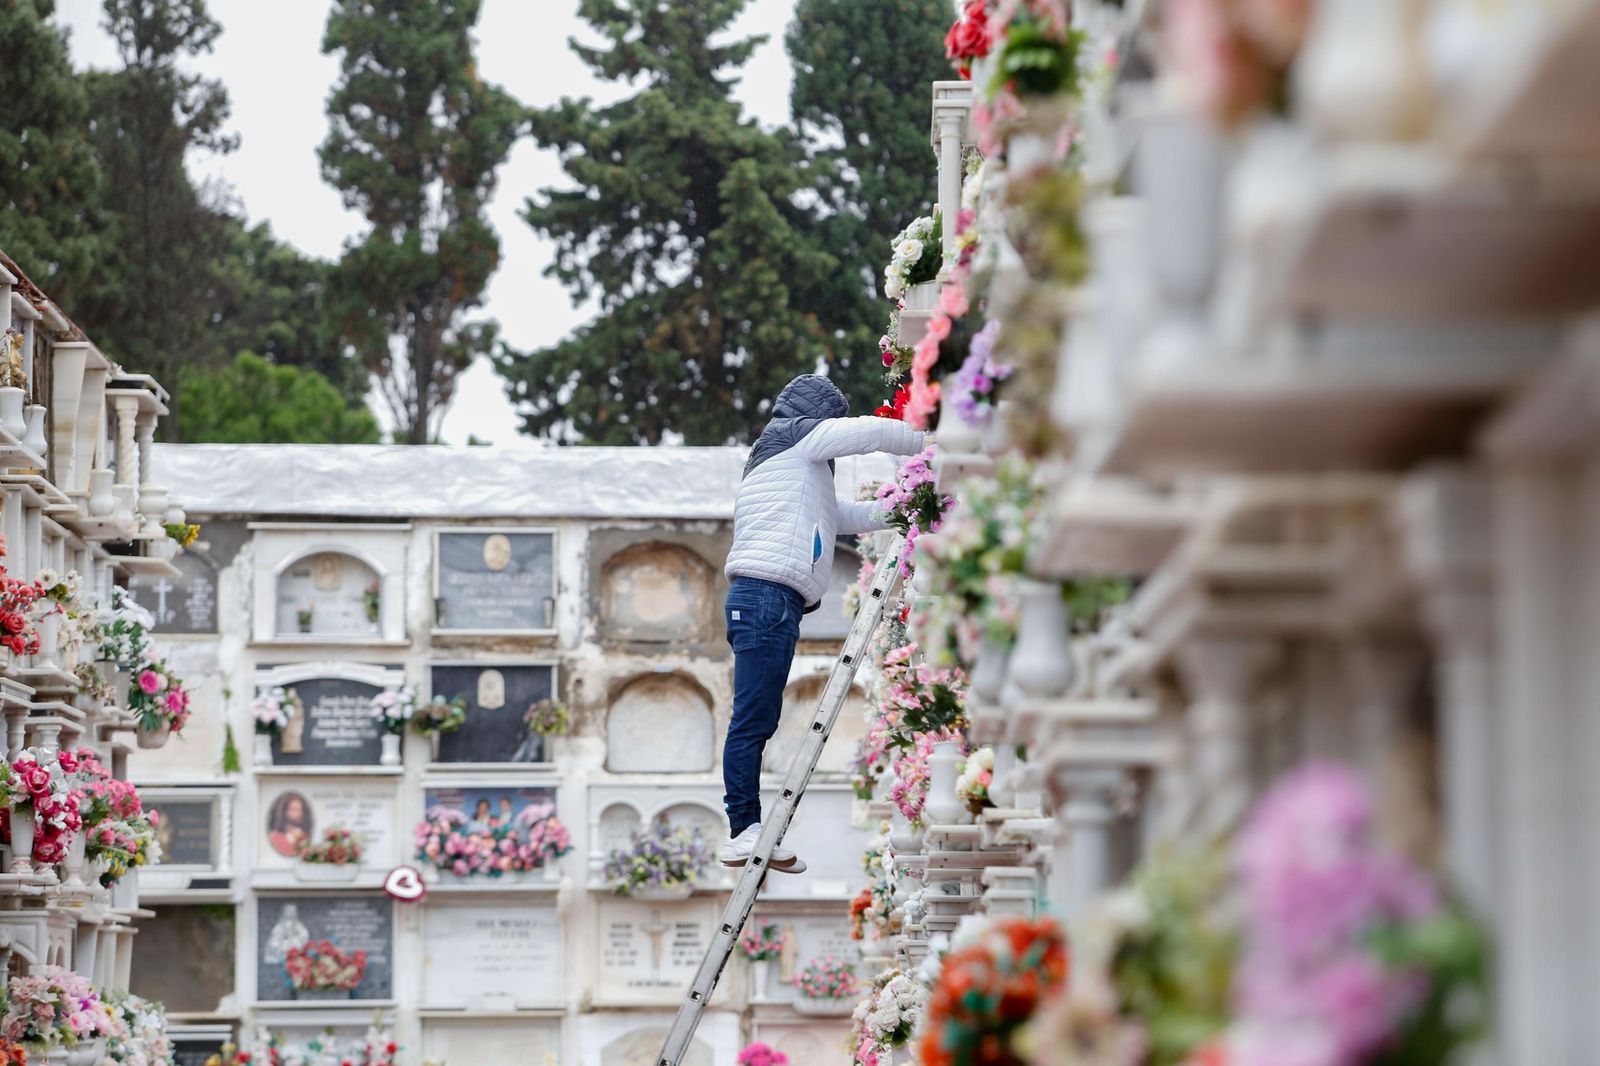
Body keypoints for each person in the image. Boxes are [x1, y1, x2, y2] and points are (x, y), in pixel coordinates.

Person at [719, 374, 925, 873]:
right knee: (753, 720)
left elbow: (842, 517)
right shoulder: (793, 436)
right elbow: (869, 434)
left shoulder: (791, 467)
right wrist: (934, 443)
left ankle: (748, 828)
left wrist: (907, 506)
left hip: (771, 599)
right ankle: (742, 830)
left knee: (757, 718)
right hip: (765, 597)